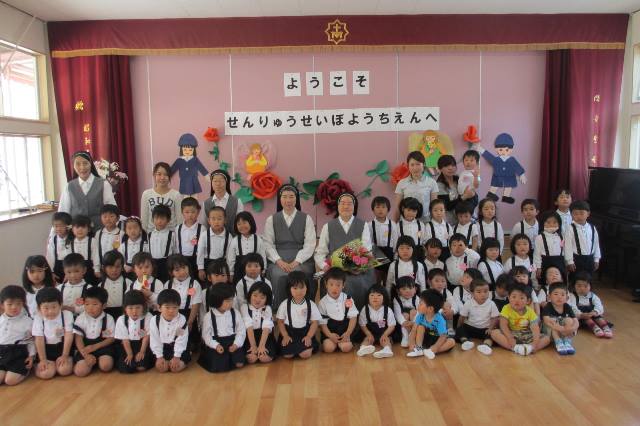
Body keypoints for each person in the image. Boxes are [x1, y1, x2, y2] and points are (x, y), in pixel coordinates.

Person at [314, 192, 374, 309]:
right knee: (337, 283)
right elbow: (320, 252)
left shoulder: (363, 225)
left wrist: (357, 266)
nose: (346, 206)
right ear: (337, 206)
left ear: (354, 207)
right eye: (342, 203)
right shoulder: (328, 226)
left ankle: (358, 316)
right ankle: (333, 316)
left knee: (358, 283)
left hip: (357, 268)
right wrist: (324, 266)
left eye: (349, 204)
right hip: (335, 268)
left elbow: (367, 250)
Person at [264, 184, 317, 309]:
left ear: (296, 199)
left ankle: (303, 308)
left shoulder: (306, 218)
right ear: (280, 199)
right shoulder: (271, 219)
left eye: (291, 197)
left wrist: (297, 261)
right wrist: (279, 261)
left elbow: (310, 244)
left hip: (302, 259)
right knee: (279, 275)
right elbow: (267, 243)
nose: (288, 200)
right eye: (285, 197)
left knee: (299, 274)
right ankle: (280, 310)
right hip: (278, 259)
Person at [58, 151, 117, 229]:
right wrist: (55, 233)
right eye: (78, 164)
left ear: (91, 164)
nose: (82, 167)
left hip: (99, 231)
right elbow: (63, 212)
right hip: (77, 232)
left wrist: (113, 231)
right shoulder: (68, 187)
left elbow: (112, 210)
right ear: (73, 166)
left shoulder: (104, 184)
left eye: (85, 163)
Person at [490, 283, 550, 356]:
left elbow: (535, 328)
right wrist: (510, 337)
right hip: (512, 334)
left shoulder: (530, 311)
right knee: (494, 333)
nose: (517, 300)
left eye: (521, 298)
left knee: (547, 338)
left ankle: (530, 348)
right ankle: (515, 348)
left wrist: (535, 342)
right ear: (509, 297)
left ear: (528, 301)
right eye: (514, 297)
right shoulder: (506, 308)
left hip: (527, 335)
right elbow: (503, 325)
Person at [199, 284, 246, 373]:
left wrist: (236, 344)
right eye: (227, 301)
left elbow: (241, 331)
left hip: (232, 341)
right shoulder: (208, 316)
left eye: (231, 300)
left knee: (239, 363)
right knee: (220, 366)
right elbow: (206, 336)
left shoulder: (235, 313)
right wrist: (216, 345)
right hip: (217, 342)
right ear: (217, 300)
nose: (231, 303)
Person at [72, 286, 116, 377]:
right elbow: (78, 338)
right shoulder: (81, 318)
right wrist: (85, 355)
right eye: (87, 304)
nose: (90, 308)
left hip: (102, 346)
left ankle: (97, 361)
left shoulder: (109, 318)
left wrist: (95, 346)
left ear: (104, 305)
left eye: (95, 304)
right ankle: (91, 361)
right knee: (80, 372)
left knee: (106, 366)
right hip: (85, 348)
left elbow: (111, 338)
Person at [276, 271, 321, 359]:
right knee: (288, 355)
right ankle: (295, 350)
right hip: (289, 334)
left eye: (302, 287)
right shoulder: (284, 304)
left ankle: (302, 350)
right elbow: (280, 322)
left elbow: (314, 322)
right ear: (289, 289)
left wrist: (309, 336)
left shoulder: (311, 304)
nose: (299, 291)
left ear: (307, 287)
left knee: (305, 354)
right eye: (295, 288)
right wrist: (285, 335)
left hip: (305, 333)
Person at [32, 287, 74, 379]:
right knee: (46, 374)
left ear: (60, 305)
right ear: (39, 308)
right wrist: (43, 359)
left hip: (63, 348)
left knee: (64, 370)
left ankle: (59, 364)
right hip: (46, 350)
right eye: (46, 308)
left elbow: (69, 336)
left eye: (54, 307)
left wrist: (65, 355)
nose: (50, 311)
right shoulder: (38, 318)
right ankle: (41, 365)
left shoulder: (67, 315)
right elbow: (39, 339)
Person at [318, 268, 359, 353]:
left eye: (338, 285)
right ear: (326, 284)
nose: (334, 288)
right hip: (330, 331)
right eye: (331, 284)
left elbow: (353, 317)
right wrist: (330, 335)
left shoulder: (348, 299)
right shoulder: (322, 302)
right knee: (328, 348)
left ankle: (342, 343)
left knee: (346, 348)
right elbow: (322, 323)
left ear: (343, 285)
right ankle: (334, 343)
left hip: (345, 330)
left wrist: (347, 333)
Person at [406, 289, 456, 359]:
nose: (418, 305)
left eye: (420, 304)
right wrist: (411, 343)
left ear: (430, 309)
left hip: (438, 340)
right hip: (426, 339)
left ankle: (430, 351)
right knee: (420, 327)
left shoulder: (439, 320)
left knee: (451, 342)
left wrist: (435, 347)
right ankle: (419, 349)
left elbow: (443, 336)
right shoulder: (420, 316)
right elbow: (414, 330)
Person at [0, 286, 35, 385]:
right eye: (10, 304)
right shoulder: (1, 319)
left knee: (10, 381)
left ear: (23, 304)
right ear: (2, 305)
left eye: (18, 304)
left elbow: (31, 341)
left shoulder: (28, 322)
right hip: (2, 353)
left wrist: (32, 356)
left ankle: (26, 371)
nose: (14, 307)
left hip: (18, 354)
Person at [150, 289, 191, 373]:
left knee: (175, 368)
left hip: (178, 347)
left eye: (175, 307)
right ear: (159, 308)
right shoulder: (154, 320)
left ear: (179, 307)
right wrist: (159, 357)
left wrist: (177, 357)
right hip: (162, 348)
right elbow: (155, 339)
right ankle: (166, 361)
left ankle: (184, 357)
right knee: (162, 369)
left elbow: (181, 339)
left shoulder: (182, 319)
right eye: (167, 307)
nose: (171, 310)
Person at [114, 290, 154, 373]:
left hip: (143, 344)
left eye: (138, 307)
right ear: (125, 308)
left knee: (141, 367)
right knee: (126, 369)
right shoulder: (121, 319)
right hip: (128, 345)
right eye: (130, 308)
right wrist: (130, 354)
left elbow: (146, 337)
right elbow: (125, 340)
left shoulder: (148, 317)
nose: (134, 311)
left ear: (144, 307)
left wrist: (142, 352)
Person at [456, 279, 498, 356]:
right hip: (470, 327)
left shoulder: (491, 304)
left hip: (485, 329)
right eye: (479, 292)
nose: (483, 294)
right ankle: (465, 342)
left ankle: (486, 345)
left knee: (493, 333)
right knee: (460, 329)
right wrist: (458, 328)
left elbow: (495, 318)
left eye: (486, 291)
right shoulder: (468, 303)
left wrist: (490, 328)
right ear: (472, 293)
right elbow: (462, 317)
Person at [394, 151, 438, 222]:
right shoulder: (402, 183)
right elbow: (397, 207)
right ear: (408, 166)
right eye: (412, 165)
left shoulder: (431, 182)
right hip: (406, 223)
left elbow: (434, 207)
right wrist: (394, 224)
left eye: (418, 164)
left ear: (423, 165)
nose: (415, 168)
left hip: (425, 222)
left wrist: (434, 225)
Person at [140, 162, 184, 233]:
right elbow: (144, 219)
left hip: (171, 235)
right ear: (154, 175)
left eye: (166, 174)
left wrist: (178, 235)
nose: (162, 177)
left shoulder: (176, 195)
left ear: (169, 177)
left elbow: (180, 219)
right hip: (152, 234)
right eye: (159, 174)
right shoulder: (146, 194)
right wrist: (144, 235)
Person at [564, 200, 601, 283]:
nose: (578, 216)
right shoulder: (570, 228)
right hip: (577, 259)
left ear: (588, 214)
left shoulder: (592, 228)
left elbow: (596, 244)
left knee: (588, 280)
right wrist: (569, 261)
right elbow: (568, 246)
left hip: (590, 259)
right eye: (575, 214)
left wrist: (596, 259)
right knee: (575, 280)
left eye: (581, 213)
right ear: (571, 214)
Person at [241, 282, 277, 364]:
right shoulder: (244, 307)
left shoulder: (267, 308)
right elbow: (249, 327)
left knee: (263, 358)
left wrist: (261, 346)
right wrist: (253, 346)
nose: (258, 300)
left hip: (265, 336)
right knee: (252, 358)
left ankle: (262, 352)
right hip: (249, 336)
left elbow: (266, 328)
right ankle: (255, 352)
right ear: (250, 295)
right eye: (255, 295)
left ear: (267, 299)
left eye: (262, 297)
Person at [356, 284, 396, 359]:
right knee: (367, 339)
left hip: (384, 332)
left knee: (386, 340)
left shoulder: (387, 310)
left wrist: (385, 334)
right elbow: (362, 324)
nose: (375, 297)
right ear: (368, 297)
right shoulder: (365, 309)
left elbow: (392, 326)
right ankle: (363, 348)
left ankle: (387, 350)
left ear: (384, 298)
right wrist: (368, 334)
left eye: (379, 295)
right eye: (372, 295)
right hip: (370, 332)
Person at [227, 212, 267, 283]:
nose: (242, 226)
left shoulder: (258, 240)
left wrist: (263, 270)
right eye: (239, 224)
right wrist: (231, 273)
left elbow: (263, 256)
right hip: (239, 272)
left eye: (244, 222)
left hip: (254, 271)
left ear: (251, 223)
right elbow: (231, 259)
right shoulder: (234, 241)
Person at [570, 271, 612, 338]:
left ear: (590, 286)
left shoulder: (593, 296)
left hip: (593, 314)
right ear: (574, 286)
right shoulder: (572, 296)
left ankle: (606, 328)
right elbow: (572, 307)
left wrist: (595, 312)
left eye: (585, 286)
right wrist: (580, 314)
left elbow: (599, 305)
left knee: (599, 318)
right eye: (579, 286)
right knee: (587, 319)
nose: (582, 288)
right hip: (581, 317)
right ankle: (595, 328)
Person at [437, 155, 477, 224]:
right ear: (440, 169)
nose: (450, 168)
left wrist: (472, 195)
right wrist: (464, 196)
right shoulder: (439, 185)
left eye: (453, 165)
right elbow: (446, 206)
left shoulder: (461, 179)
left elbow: (473, 198)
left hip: (469, 220)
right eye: (446, 166)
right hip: (453, 222)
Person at [541, 282, 578, 355]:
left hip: (564, 331)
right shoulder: (548, 306)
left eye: (562, 295)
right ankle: (558, 342)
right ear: (549, 297)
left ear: (567, 298)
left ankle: (567, 341)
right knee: (553, 320)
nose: (559, 297)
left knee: (569, 320)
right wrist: (560, 328)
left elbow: (576, 321)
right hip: (550, 331)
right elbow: (546, 321)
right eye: (556, 294)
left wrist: (572, 328)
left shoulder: (567, 306)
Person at [367, 196, 399, 281]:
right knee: (377, 278)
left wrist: (396, 257)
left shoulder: (392, 224)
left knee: (388, 279)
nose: (380, 210)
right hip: (376, 254)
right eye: (377, 207)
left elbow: (396, 241)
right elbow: (368, 242)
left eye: (383, 207)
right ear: (373, 209)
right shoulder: (369, 225)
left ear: (388, 209)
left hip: (389, 253)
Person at [196, 206, 231, 283]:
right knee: (208, 285)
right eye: (213, 219)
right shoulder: (204, 235)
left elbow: (229, 255)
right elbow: (200, 252)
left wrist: (230, 271)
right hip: (208, 264)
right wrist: (200, 269)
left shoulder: (229, 236)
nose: (216, 222)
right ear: (209, 221)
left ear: (225, 220)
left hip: (222, 265)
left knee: (222, 285)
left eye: (219, 219)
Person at [203, 169, 244, 234]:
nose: (218, 184)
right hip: (212, 239)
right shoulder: (206, 203)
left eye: (221, 181)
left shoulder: (237, 202)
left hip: (232, 238)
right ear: (211, 183)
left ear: (226, 183)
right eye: (215, 181)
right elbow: (204, 225)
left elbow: (241, 223)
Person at [533, 211, 566, 288]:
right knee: (545, 282)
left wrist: (567, 263)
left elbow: (564, 251)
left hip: (560, 262)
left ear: (559, 224)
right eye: (548, 222)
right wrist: (538, 267)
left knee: (559, 283)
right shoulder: (539, 237)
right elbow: (537, 254)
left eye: (555, 222)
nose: (551, 225)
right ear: (543, 223)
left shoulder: (562, 237)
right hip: (545, 262)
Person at [66, 215, 100, 285]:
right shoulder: (70, 243)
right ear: (72, 229)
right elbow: (68, 259)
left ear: (89, 229)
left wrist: (96, 269)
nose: (80, 230)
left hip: (89, 269)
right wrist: (67, 273)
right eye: (77, 227)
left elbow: (96, 256)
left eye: (83, 227)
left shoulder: (92, 241)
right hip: (75, 269)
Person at [174, 197, 204, 276]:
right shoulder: (178, 228)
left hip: (196, 261)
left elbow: (202, 249)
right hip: (181, 261)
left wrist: (201, 268)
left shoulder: (202, 229)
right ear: (182, 212)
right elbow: (176, 246)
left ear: (198, 212)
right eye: (187, 212)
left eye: (193, 212)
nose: (190, 215)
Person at [96, 250, 131, 319]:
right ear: (104, 268)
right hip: (106, 316)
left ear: (122, 267)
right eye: (110, 267)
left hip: (124, 315)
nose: (114, 270)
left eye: (117, 266)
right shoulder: (100, 286)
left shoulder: (128, 283)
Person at [148, 205, 176, 283]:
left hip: (166, 263)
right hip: (152, 264)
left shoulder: (172, 235)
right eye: (156, 218)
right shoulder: (149, 235)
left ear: (168, 220)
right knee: (153, 284)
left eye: (162, 218)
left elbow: (175, 250)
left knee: (166, 283)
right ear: (152, 219)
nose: (159, 221)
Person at [391, 276, 419, 347]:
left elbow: (420, 312)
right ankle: (405, 336)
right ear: (398, 291)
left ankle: (413, 336)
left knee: (413, 312)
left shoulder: (416, 298)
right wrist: (403, 322)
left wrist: (413, 322)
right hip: (403, 323)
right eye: (404, 289)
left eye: (410, 288)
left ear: (415, 289)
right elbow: (397, 313)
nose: (408, 291)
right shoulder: (396, 299)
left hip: (414, 322)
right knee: (405, 315)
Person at [47, 212, 72, 282]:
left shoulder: (73, 239)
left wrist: (69, 272)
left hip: (72, 268)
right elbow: (50, 256)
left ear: (68, 226)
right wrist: (51, 272)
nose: (58, 228)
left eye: (61, 226)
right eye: (56, 226)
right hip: (58, 269)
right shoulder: (53, 239)